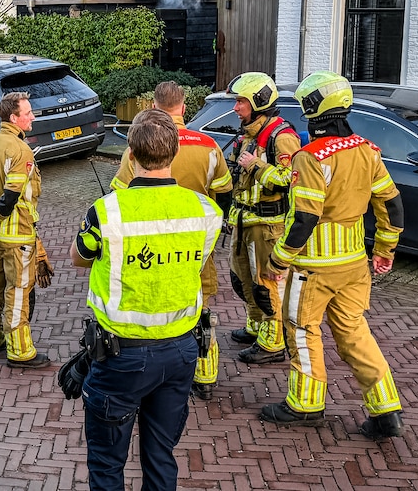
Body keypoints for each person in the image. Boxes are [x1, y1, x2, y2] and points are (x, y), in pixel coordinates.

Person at [72, 108, 224, 491]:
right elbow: (199, 258)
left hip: (122, 358)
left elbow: (79, 258)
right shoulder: (206, 211)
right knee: (161, 455)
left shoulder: (107, 211)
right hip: (181, 353)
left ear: (131, 155)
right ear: (173, 154)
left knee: (107, 464)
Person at [258, 71, 406, 440]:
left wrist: (279, 260)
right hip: (355, 264)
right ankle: (386, 410)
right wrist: (385, 249)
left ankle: (305, 405)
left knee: (302, 331)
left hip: (314, 267)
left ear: (312, 109)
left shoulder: (310, 158)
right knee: (355, 333)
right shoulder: (366, 150)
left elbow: (305, 218)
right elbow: (392, 204)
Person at [111, 81, 232, 400]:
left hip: (149, 245)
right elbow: (225, 191)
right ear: (183, 106)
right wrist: (216, 225)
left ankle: (154, 370)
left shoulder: (135, 149)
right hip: (196, 241)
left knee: (154, 304)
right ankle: (205, 373)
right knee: (200, 305)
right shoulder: (208, 145)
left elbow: (120, 197)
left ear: (153, 105)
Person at [0, 91, 51, 368]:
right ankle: (20, 351)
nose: (33, 117)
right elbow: (11, 196)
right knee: (17, 291)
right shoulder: (20, 150)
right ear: (13, 117)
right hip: (17, 238)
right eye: (28, 113)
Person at [224, 72, 301, 365]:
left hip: (268, 226)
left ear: (258, 102)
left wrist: (256, 165)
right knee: (241, 277)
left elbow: (291, 178)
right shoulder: (248, 134)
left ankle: (272, 344)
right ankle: (255, 326)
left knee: (266, 283)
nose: (236, 107)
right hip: (245, 222)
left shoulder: (282, 137)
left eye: (241, 101)